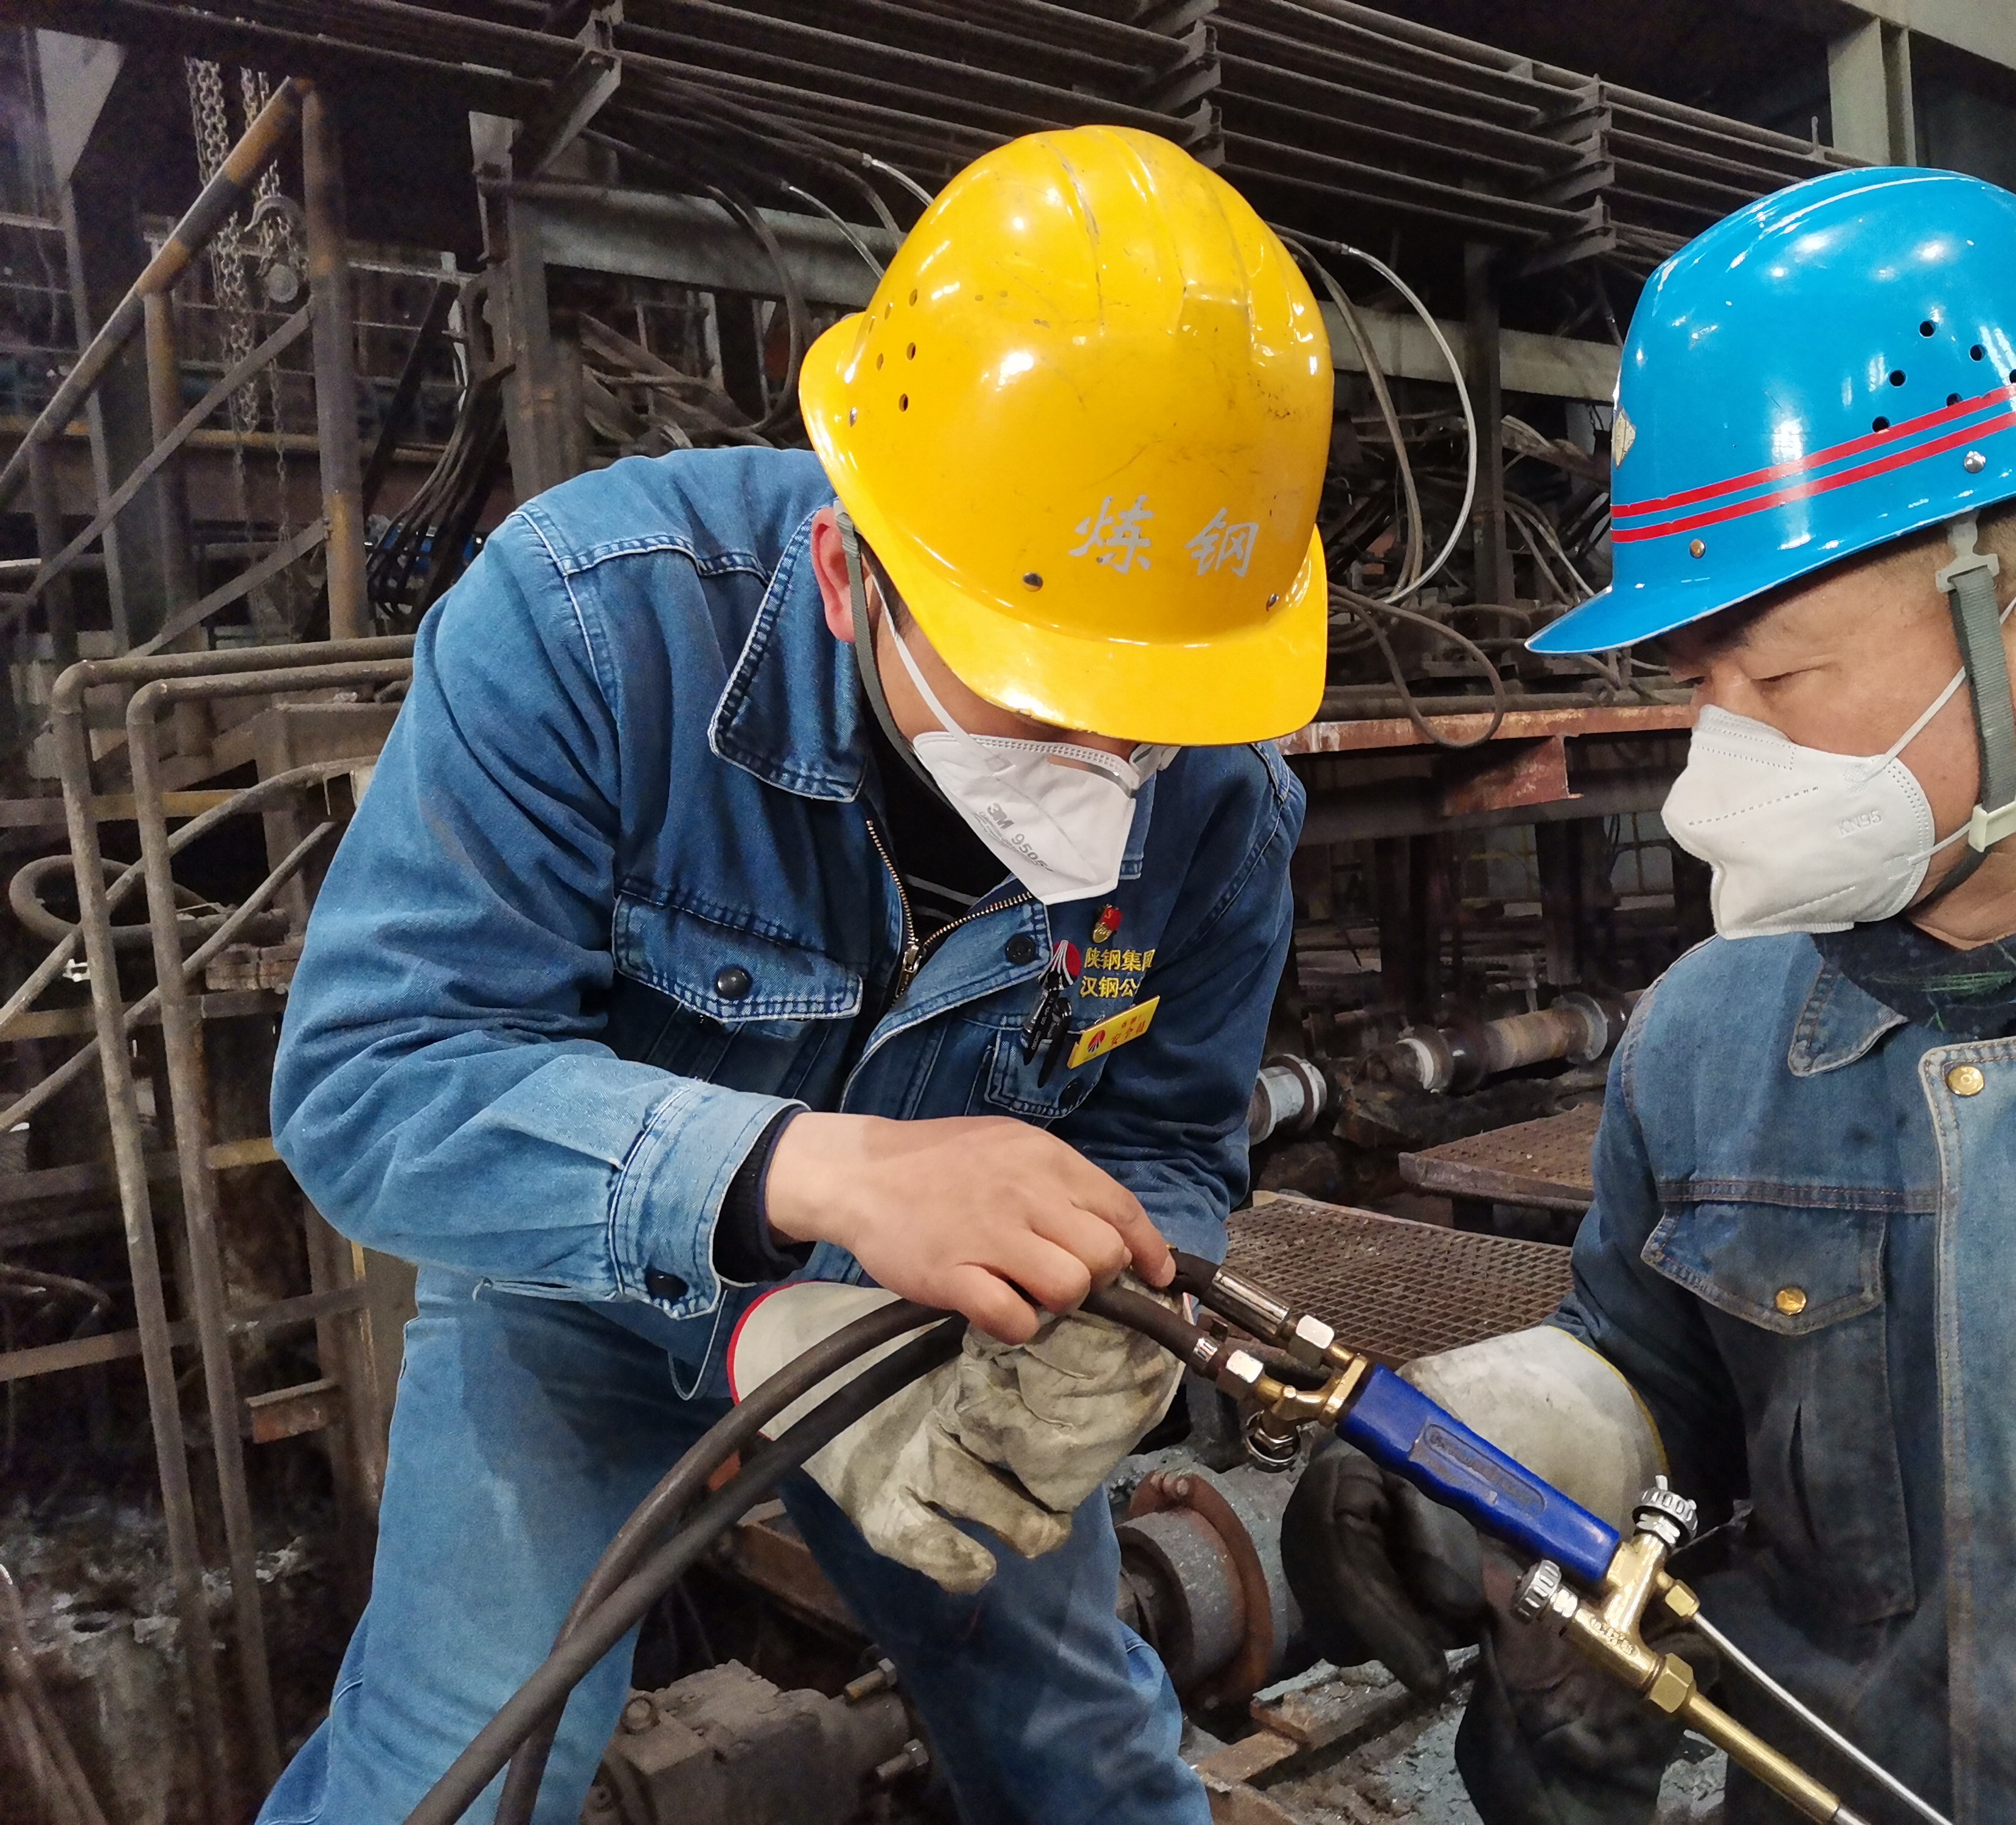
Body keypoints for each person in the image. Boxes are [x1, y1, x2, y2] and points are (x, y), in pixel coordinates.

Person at [1282, 164, 2016, 1825]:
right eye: (1700, 690)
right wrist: (1515, 1434)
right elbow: (1667, 1392)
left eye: (1780, 679)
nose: (1710, 769)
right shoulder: (1707, 1043)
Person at [260, 125, 1332, 1825]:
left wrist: (1113, 1309)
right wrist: (813, 1171)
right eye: (1049, 706)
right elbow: (373, 1082)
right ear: (851, 577)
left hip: (923, 1345)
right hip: (577, 1308)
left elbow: (1175, 1139)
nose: (1114, 762)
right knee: (451, 1774)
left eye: (1158, 708)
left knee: (1088, 1762)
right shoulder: (593, 622)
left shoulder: (1220, 792)